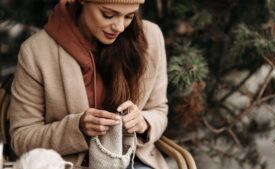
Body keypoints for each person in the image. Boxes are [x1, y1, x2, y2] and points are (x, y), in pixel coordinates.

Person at [8, 0, 168, 168]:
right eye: (108, 15)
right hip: (69, 164)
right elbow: (21, 139)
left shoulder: (150, 37)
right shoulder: (36, 51)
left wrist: (143, 123)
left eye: (129, 16)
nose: (120, 27)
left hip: (134, 160)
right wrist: (77, 128)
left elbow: (159, 110)